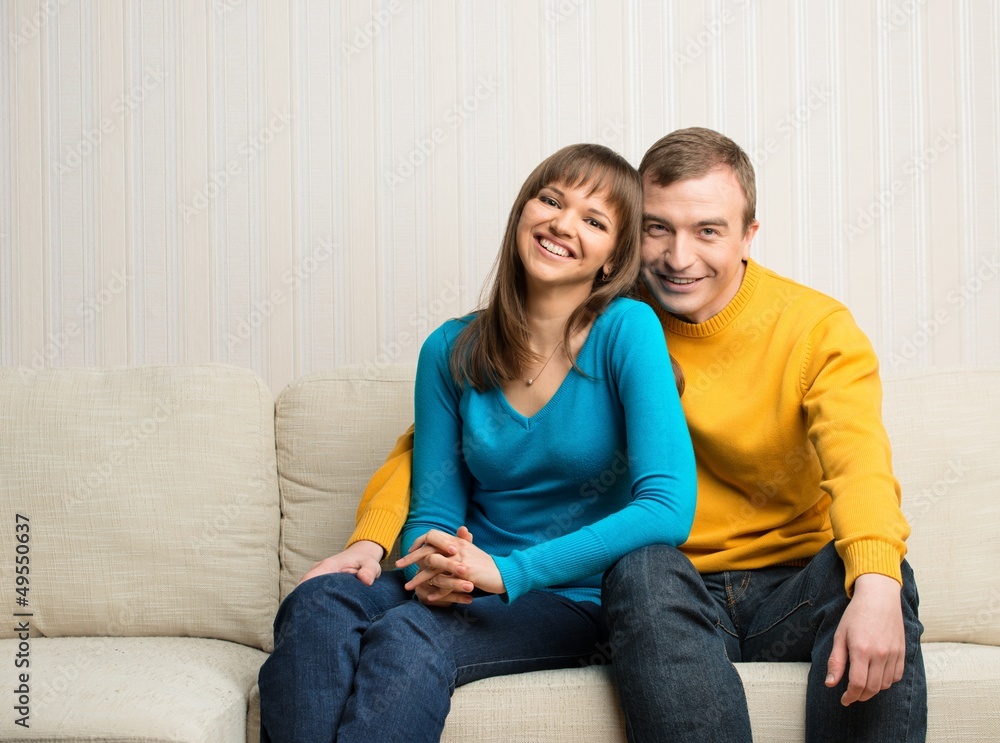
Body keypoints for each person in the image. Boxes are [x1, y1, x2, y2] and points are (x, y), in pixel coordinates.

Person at [302, 127, 928, 742]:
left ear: (748, 236)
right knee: (645, 570)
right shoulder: (604, 312)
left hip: (786, 582)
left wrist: (875, 579)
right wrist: (374, 538)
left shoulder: (812, 327)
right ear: (632, 240)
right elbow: (435, 446)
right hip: (665, 588)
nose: (679, 258)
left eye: (708, 231)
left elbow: (859, 462)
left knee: (882, 579)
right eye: (658, 229)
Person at [257, 143, 698, 743]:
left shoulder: (627, 331)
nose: (563, 224)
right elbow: (435, 508)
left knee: (408, 636)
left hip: (569, 597)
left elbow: (668, 508)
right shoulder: (451, 349)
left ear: (611, 260)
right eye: (551, 200)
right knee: (317, 604)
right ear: (523, 212)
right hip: (468, 578)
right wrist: (438, 567)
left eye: (594, 221)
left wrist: (505, 571)